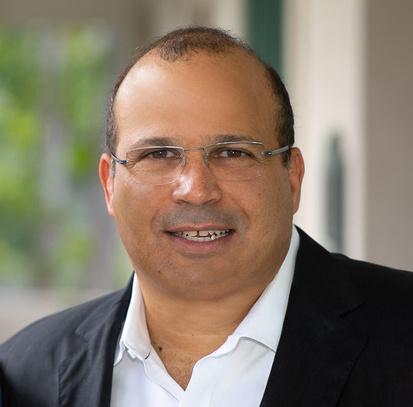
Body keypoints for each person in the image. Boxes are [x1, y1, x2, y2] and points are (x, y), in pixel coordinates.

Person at [1, 26, 413, 407]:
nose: (196, 189)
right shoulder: (24, 375)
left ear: (292, 178)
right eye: (159, 154)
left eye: (233, 152)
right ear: (110, 184)